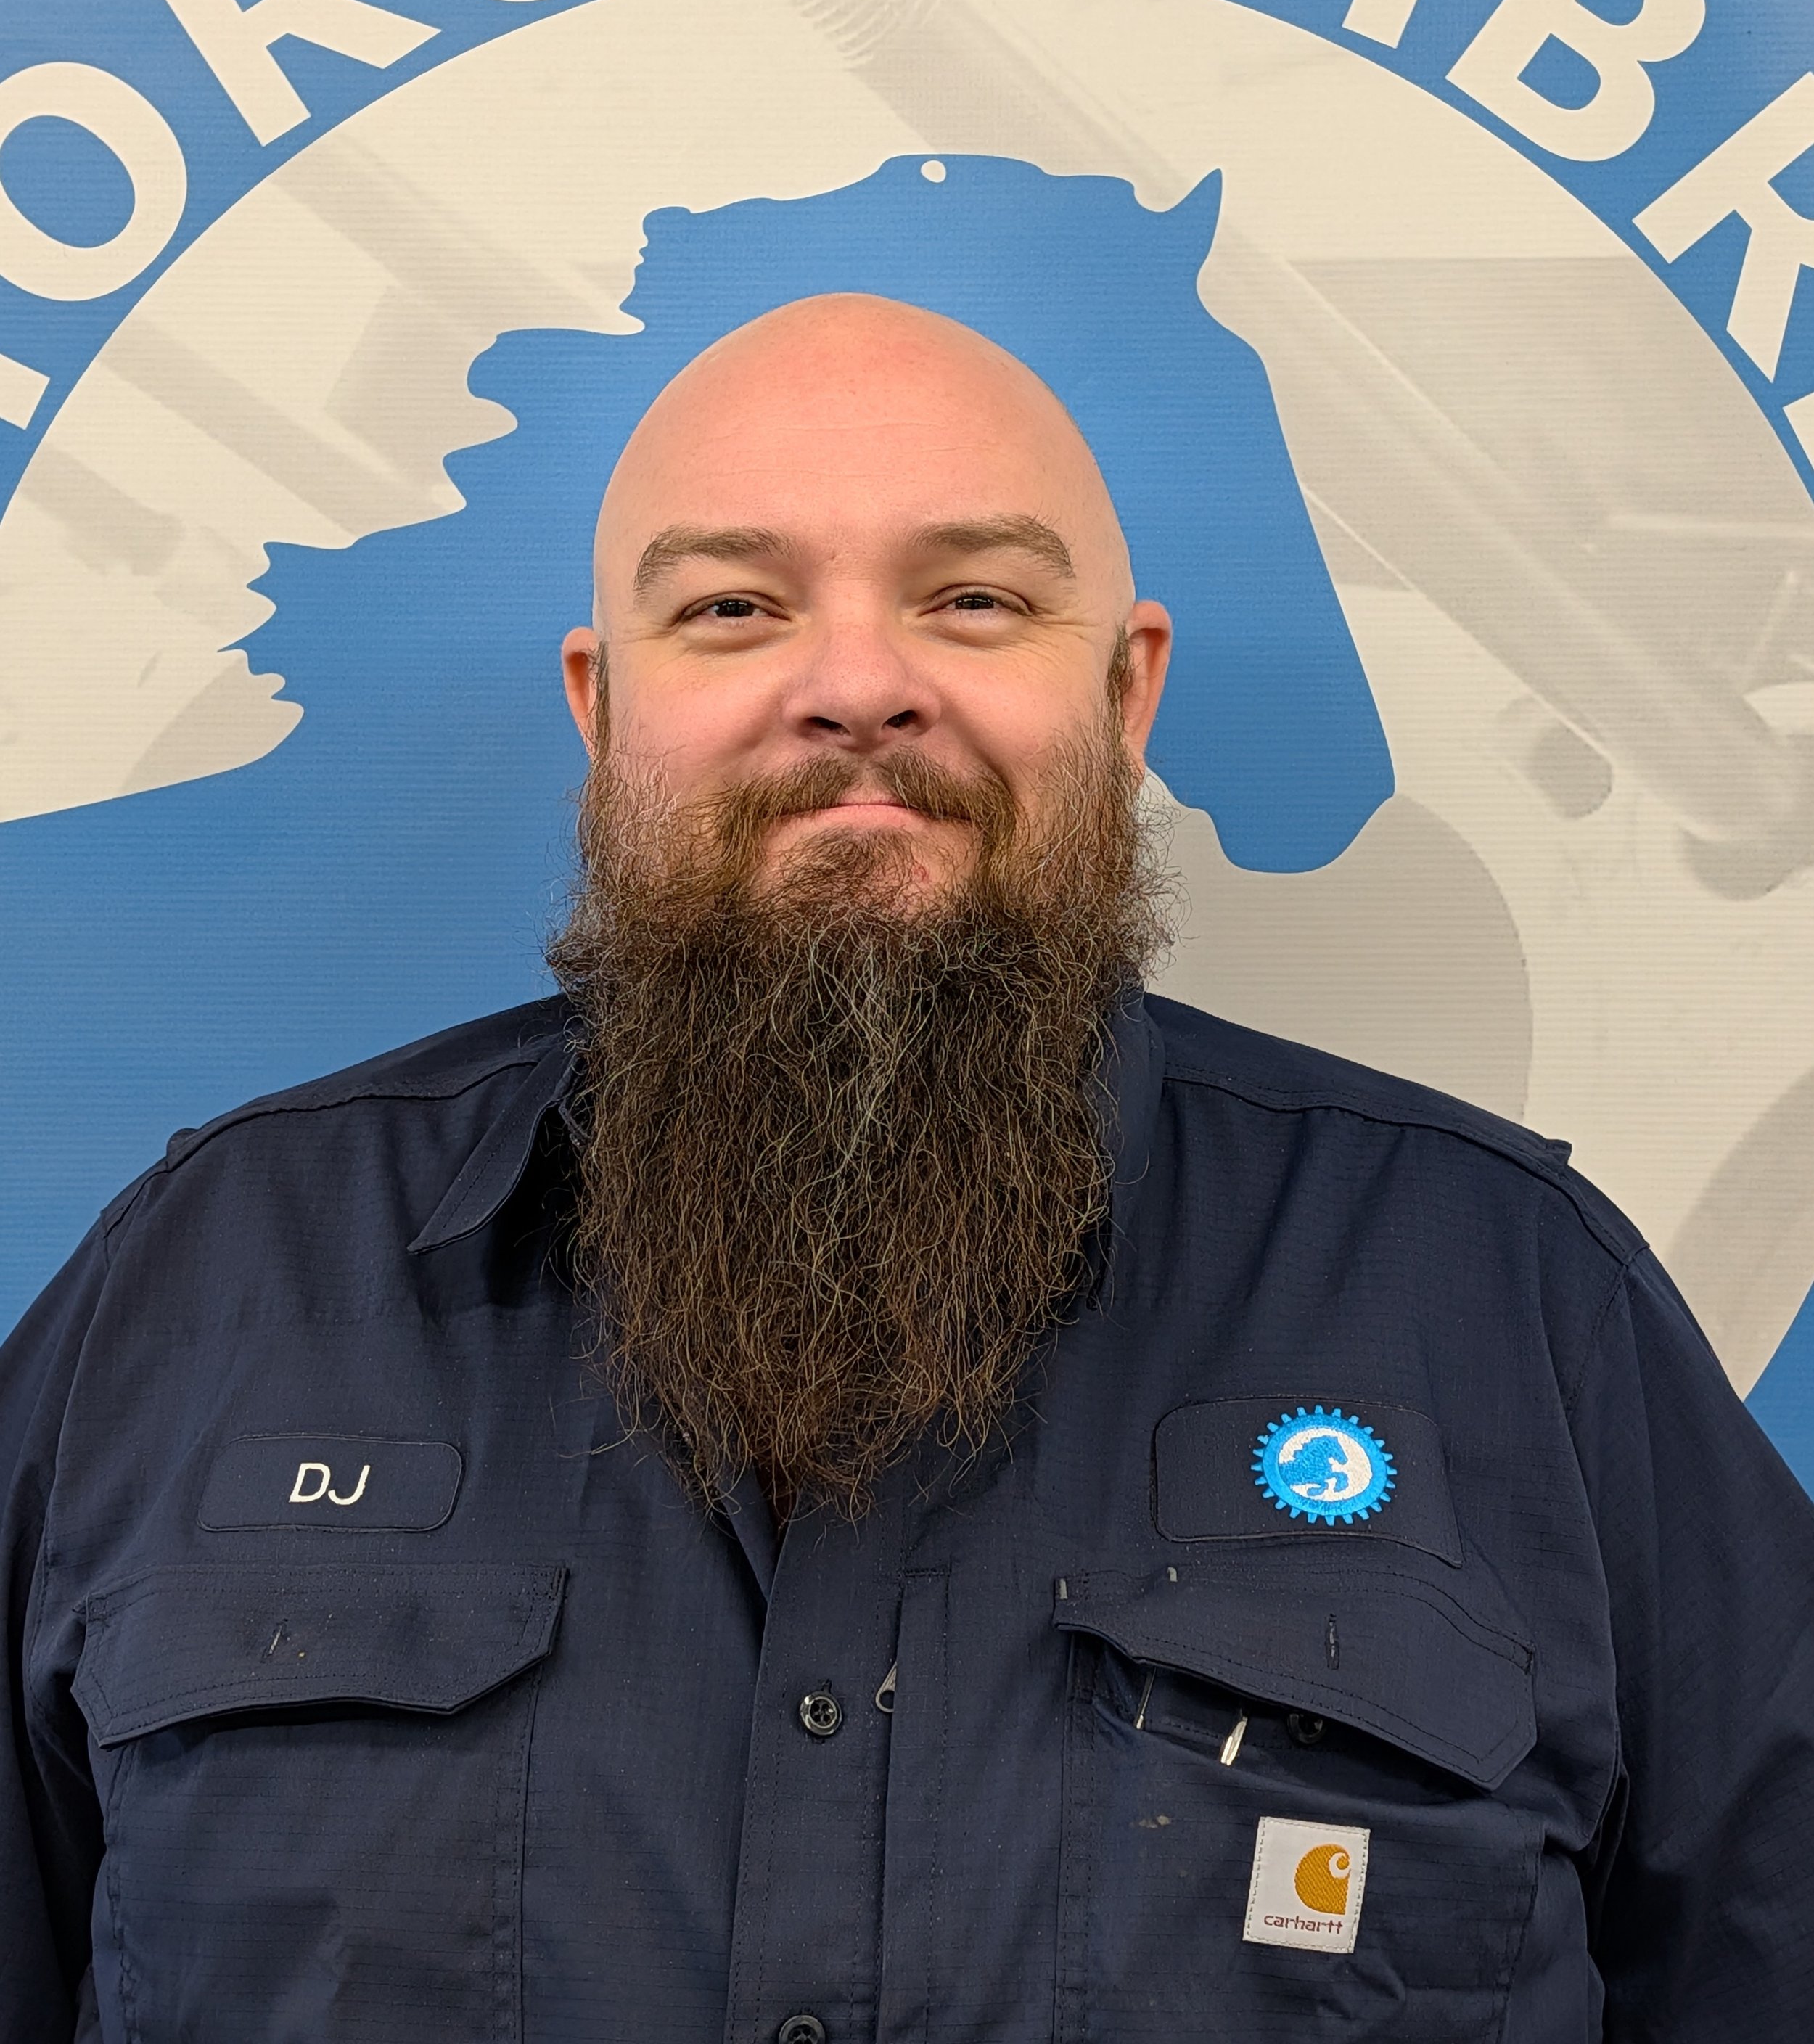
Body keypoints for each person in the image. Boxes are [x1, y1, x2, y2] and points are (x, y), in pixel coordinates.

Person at [2, 294, 1811, 2044]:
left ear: (1123, 695)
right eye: (730, 605)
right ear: (598, 708)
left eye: (972, 598)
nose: (857, 684)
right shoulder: (201, 1286)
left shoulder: (1516, 1305)